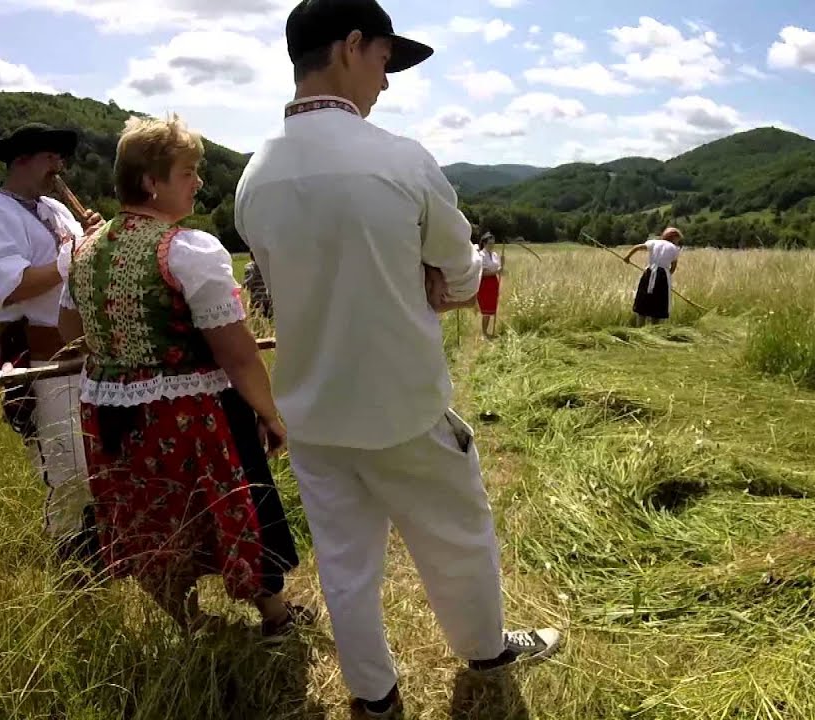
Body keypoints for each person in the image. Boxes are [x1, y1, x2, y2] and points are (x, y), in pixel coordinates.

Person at [233, 0, 562, 715]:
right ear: (352, 46)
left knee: (346, 566)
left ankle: (373, 697)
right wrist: (440, 282)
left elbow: (278, 284)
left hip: (312, 411)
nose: (385, 81)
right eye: (384, 60)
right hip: (402, 403)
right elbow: (462, 274)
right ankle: (485, 649)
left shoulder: (254, 177)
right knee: (459, 537)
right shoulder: (400, 159)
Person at [57, 115, 308, 638]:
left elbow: (69, 328)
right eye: (187, 172)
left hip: (111, 417)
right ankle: (276, 617)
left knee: (146, 516)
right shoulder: (186, 250)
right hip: (192, 413)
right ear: (152, 181)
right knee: (236, 500)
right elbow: (237, 354)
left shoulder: (82, 251)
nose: (198, 182)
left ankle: (189, 620)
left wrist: (122, 349)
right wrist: (269, 414)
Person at [0, 123, 104, 570]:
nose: (59, 167)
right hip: (43, 360)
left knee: (99, 462)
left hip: (87, 355)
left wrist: (95, 242)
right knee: (67, 469)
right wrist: (74, 256)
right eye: (50, 157)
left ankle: (106, 560)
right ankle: (73, 572)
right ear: (22, 160)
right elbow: (12, 287)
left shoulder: (55, 209)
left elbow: (78, 265)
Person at [624, 227, 683, 326]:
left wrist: (627, 257)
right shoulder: (674, 248)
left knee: (643, 301)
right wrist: (667, 278)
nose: (678, 241)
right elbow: (673, 267)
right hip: (663, 276)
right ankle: (654, 329)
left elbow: (637, 247)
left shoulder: (654, 242)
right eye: (678, 239)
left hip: (649, 272)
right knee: (658, 304)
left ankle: (640, 328)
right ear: (674, 238)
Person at [475, 231, 503, 338]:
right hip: (485, 284)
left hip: (494, 283)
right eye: (489, 243)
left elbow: (498, 269)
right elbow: (482, 273)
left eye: (493, 243)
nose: (492, 245)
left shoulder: (494, 255)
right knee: (486, 311)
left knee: (491, 309)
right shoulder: (481, 255)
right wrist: (497, 271)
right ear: (484, 243)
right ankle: (484, 333)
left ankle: (487, 332)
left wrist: (502, 265)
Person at [243, 253, 273, 320]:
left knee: (260, 319)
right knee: (264, 319)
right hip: (263, 299)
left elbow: (247, 284)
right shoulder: (268, 266)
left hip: (260, 299)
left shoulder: (251, 267)